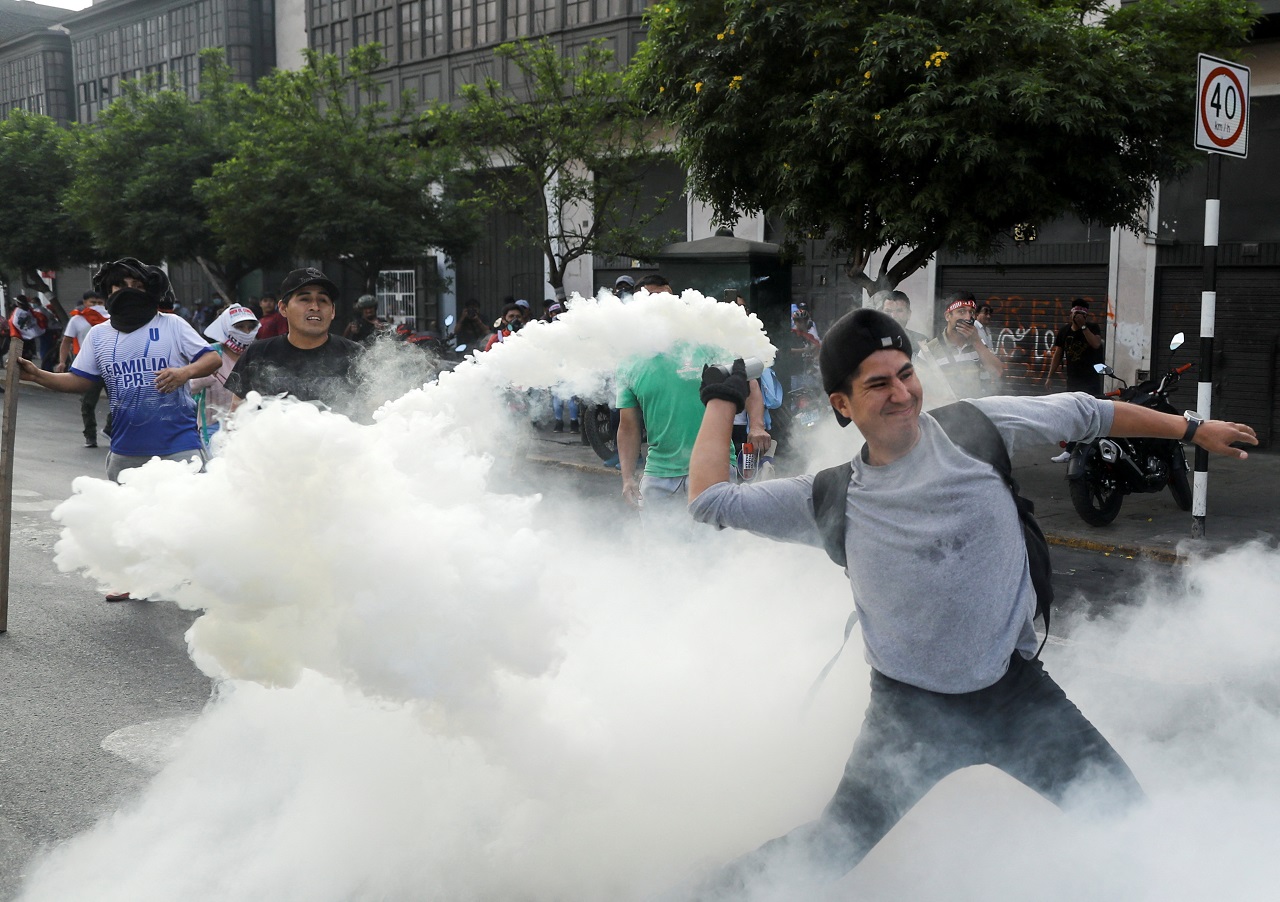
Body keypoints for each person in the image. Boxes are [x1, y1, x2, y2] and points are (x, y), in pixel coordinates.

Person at [685, 308, 1258, 896]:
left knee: (1131, 822)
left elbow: (1090, 413)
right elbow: (710, 502)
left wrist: (1192, 430)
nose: (902, 393)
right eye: (877, 384)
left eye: (905, 373)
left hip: (1017, 699)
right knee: (830, 848)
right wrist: (723, 399)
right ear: (842, 404)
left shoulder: (974, 429)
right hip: (909, 718)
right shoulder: (833, 496)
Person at [616, 283, 768, 523]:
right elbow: (628, 426)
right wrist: (627, 478)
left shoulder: (703, 343)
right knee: (660, 552)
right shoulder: (629, 362)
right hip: (658, 476)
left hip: (714, 467)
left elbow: (749, 384)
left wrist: (757, 426)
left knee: (715, 555)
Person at [224, 268, 363, 417]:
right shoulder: (256, 355)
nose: (315, 307)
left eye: (323, 300)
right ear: (283, 308)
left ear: (333, 311)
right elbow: (236, 417)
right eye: (305, 299)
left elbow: (375, 417)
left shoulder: (356, 356)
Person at [191, 304, 260, 443]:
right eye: (239, 327)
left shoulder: (257, 354)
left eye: (250, 327)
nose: (246, 332)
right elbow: (189, 387)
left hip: (250, 428)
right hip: (215, 430)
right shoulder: (210, 355)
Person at [922, 292, 1004, 398]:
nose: (967, 317)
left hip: (972, 411)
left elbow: (998, 371)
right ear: (948, 316)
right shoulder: (929, 350)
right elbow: (919, 390)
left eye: (971, 312)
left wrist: (976, 341)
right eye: (961, 312)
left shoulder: (978, 343)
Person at [58, 289, 112, 448]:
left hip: (110, 366)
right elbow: (66, 341)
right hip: (88, 369)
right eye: (92, 303)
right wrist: (62, 361)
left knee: (120, 402)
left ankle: (111, 429)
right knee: (88, 404)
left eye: (100, 303)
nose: (96, 306)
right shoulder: (77, 320)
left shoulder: (111, 318)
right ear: (84, 303)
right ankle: (90, 436)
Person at [1045, 299, 1104, 395]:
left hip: (1091, 381)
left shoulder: (1092, 328)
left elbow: (1096, 344)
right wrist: (1050, 376)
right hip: (1073, 380)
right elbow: (1058, 354)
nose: (1078, 317)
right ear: (1071, 314)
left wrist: (1083, 326)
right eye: (1076, 314)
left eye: (1082, 314)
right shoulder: (1064, 331)